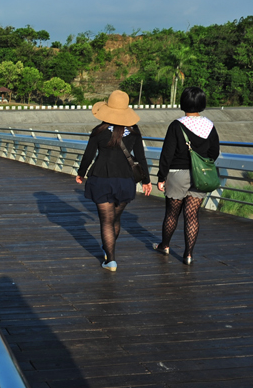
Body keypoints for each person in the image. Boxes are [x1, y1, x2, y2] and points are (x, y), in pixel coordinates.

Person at [76, 90, 152, 271]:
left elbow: (88, 155)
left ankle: (110, 259)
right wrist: (146, 181)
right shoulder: (134, 132)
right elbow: (141, 158)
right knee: (115, 219)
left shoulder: (99, 131)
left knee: (106, 221)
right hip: (125, 181)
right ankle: (109, 249)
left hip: (101, 179)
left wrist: (81, 172)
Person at [154, 87, 220, 265]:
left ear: (183, 103)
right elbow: (214, 152)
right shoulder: (210, 126)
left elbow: (167, 154)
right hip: (200, 176)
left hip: (177, 174)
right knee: (192, 215)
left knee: (172, 213)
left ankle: (165, 246)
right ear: (202, 103)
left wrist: (161, 177)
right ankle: (188, 255)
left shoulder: (176, 125)